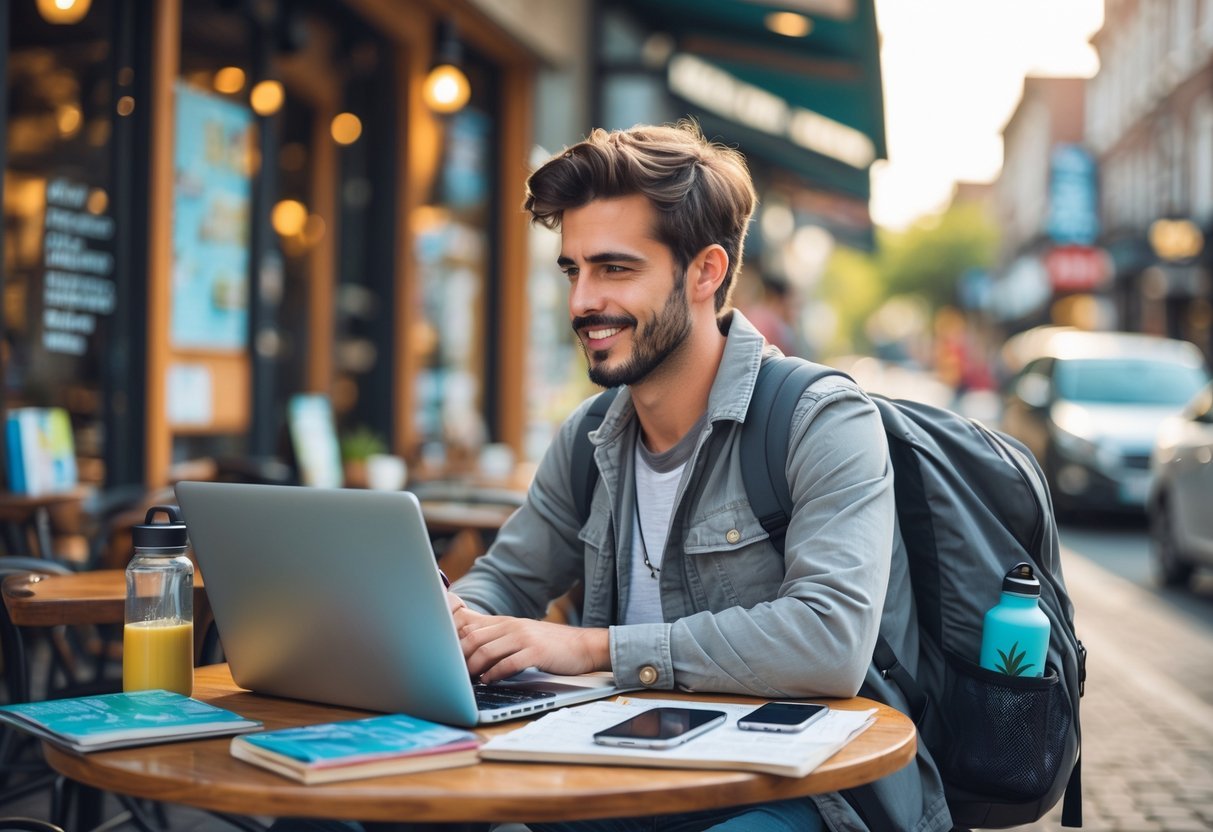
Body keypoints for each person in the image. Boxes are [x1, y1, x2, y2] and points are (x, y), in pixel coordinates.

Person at [271, 121, 949, 832]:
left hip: (790, 790)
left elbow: (828, 641)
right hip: (611, 774)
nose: (581, 302)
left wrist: (593, 648)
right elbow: (507, 579)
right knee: (333, 815)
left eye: (614, 269)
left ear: (705, 272)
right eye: (572, 269)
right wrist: (449, 626)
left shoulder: (820, 420)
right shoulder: (590, 435)